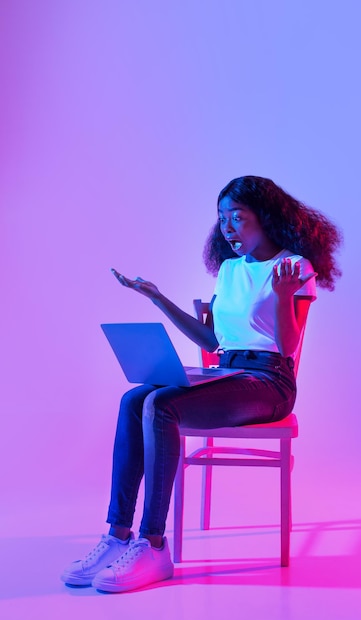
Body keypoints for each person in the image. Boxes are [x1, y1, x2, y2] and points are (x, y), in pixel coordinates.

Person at [61, 175, 342, 593]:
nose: (227, 228)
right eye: (222, 218)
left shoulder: (294, 267)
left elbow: (287, 346)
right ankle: (117, 535)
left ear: (265, 217)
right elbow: (215, 342)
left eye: (238, 218)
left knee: (163, 406)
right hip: (227, 372)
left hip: (270, 382)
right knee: (136, 399)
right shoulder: (229, 270)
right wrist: (159, 298)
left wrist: (283, 296)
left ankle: (153, 545)